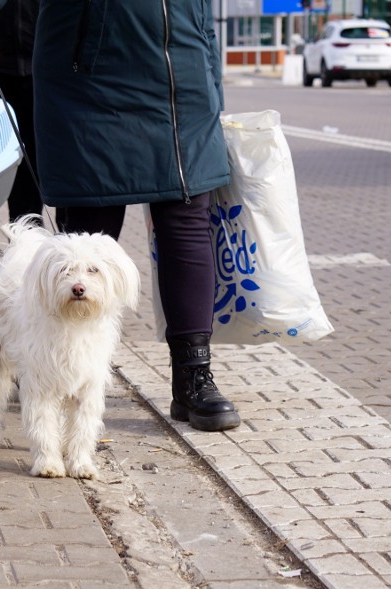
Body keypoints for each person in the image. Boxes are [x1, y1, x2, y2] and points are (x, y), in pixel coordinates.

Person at [26, 1, 241, 432]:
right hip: (90, 73)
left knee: (186, 219)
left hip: (182, 63)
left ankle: (192, 377)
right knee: (88, 228)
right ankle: (63, 374)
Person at [0, 0, 40, 223]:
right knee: (18, 164)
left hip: (57, 65)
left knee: (65, 167)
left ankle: (70, 249)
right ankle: (25, 249)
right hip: (4, 65)